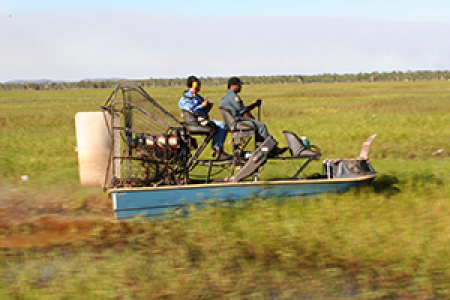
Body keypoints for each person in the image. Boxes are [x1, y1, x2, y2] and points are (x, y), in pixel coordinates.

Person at [219, 76, 287, 157]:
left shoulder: (227, 97)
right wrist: (254, 121)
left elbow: (243, 109)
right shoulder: (233, 97)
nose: (240, 87)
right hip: (238, 121)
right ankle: (271, 148)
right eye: (239, 85)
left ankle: (262, 148)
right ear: (232, 85)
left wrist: (254, 105)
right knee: (261, 125)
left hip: (235, 121)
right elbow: (243, 112)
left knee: (258, 125)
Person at [179, 76, 232, 160]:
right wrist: (201, 106)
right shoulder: (185, 99)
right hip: (195, 123)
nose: (197, 89)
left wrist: (208, 106)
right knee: (220, 125)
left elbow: (203, 112)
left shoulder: (197, 97)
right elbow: (192, 111)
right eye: (196, 86)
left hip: (203, 120)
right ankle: (217, 150)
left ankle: (218, 150)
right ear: (191, 86)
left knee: (222, 126)